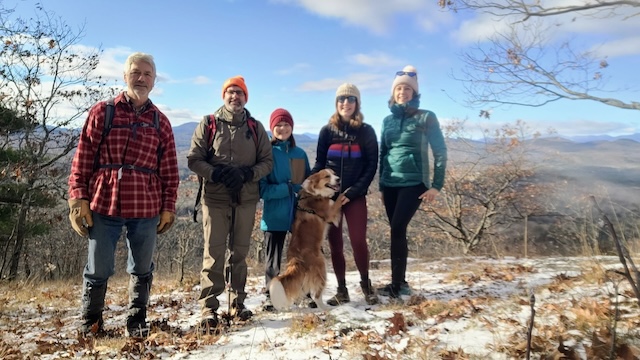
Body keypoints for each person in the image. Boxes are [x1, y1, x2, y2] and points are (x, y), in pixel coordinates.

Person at [68, 52, 179, 337]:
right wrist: (78, 198)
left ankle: (136, 320)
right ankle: (91, 323)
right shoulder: (103, 112)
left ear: (154, 82)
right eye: (135, 72)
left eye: (147, 74)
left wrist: (168, 206)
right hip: (104, 201)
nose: (141, 78)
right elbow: (83, 158)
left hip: (145, 205)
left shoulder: (161, 122)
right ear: (125, 76)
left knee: (142, 266)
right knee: (98, 266)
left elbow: (169, 170)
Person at [187, 75, 273, 330]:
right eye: (231, 92)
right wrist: (216, 173)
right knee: (213, 254)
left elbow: (267, 162)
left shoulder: (256, 128)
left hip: (245, 199)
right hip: (215, 198)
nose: (235, 96)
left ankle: (237, 303)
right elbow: (194, 158)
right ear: (223, 96)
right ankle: (208, 307)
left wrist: (248, 174)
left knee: (239, 253)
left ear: (246, 98)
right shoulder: (209, 123)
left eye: (240, 93)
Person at [378, 65, 447, 298]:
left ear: (414, 92)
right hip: (390, 183)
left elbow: (440, 151)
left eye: (407, 88)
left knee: (398, 226)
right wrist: (381, 185)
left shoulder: (426, 117)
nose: (403, 92)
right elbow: (383, 152)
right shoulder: (387, 120)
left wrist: (436, 185)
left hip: (414, 182)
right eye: (399, 88)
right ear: (393, 92)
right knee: (396, 231)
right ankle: (398, 282)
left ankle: (399, 284)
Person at [311, 83, 380, 306]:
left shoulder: (366, 131)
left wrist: (354, 192)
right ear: (336, 103)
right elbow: (320, 163)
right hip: (330, 198)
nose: (346, 103)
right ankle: (342, 290)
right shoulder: (326, 131)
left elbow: (371, 166)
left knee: (359, 240)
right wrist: (309, 185)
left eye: (351, 99)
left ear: (357, 103)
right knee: (335, 244)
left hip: (355, 196)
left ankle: (366, 284)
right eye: (342, 99)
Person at [259, 108, 310, 312]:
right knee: (272, 262)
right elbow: (262, 189)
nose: (282, 128)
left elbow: (306, 184)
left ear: (292, 127)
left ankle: (303, 293)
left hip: (298, 215)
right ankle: (272, 297)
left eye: (286, 124)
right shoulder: (267, 154)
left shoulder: (300, 154)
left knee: (300, 257)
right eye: (278, 125)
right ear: (272, 128)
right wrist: (285, 188)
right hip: (274, 215)